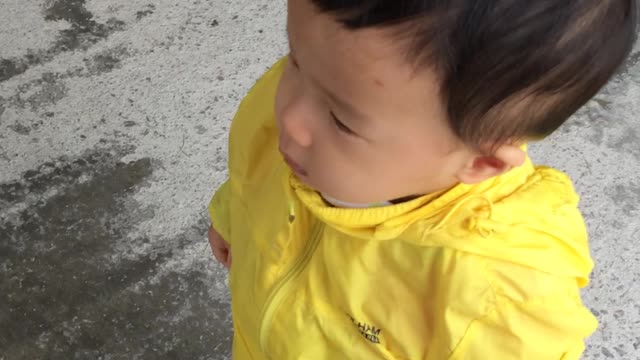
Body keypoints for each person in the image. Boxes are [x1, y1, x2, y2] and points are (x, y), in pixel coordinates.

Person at [208, 0, 638, 358]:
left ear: (480, 164)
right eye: (295, 59)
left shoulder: (498, 300)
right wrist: (231, 217)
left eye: (342, 121)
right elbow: (251, 173)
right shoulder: (309, 102)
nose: (290, 117)